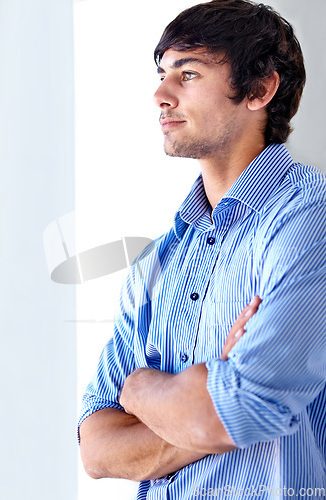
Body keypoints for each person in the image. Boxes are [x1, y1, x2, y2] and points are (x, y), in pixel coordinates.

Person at [78, 1, 326, 498]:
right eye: (162, 72)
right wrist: (206, 394)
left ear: (259, 89)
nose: (160, 95)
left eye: (187, 74)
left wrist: (143, 390)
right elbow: (97, 449)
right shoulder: (159, 260)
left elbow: (244, 410)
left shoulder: (310, 222)